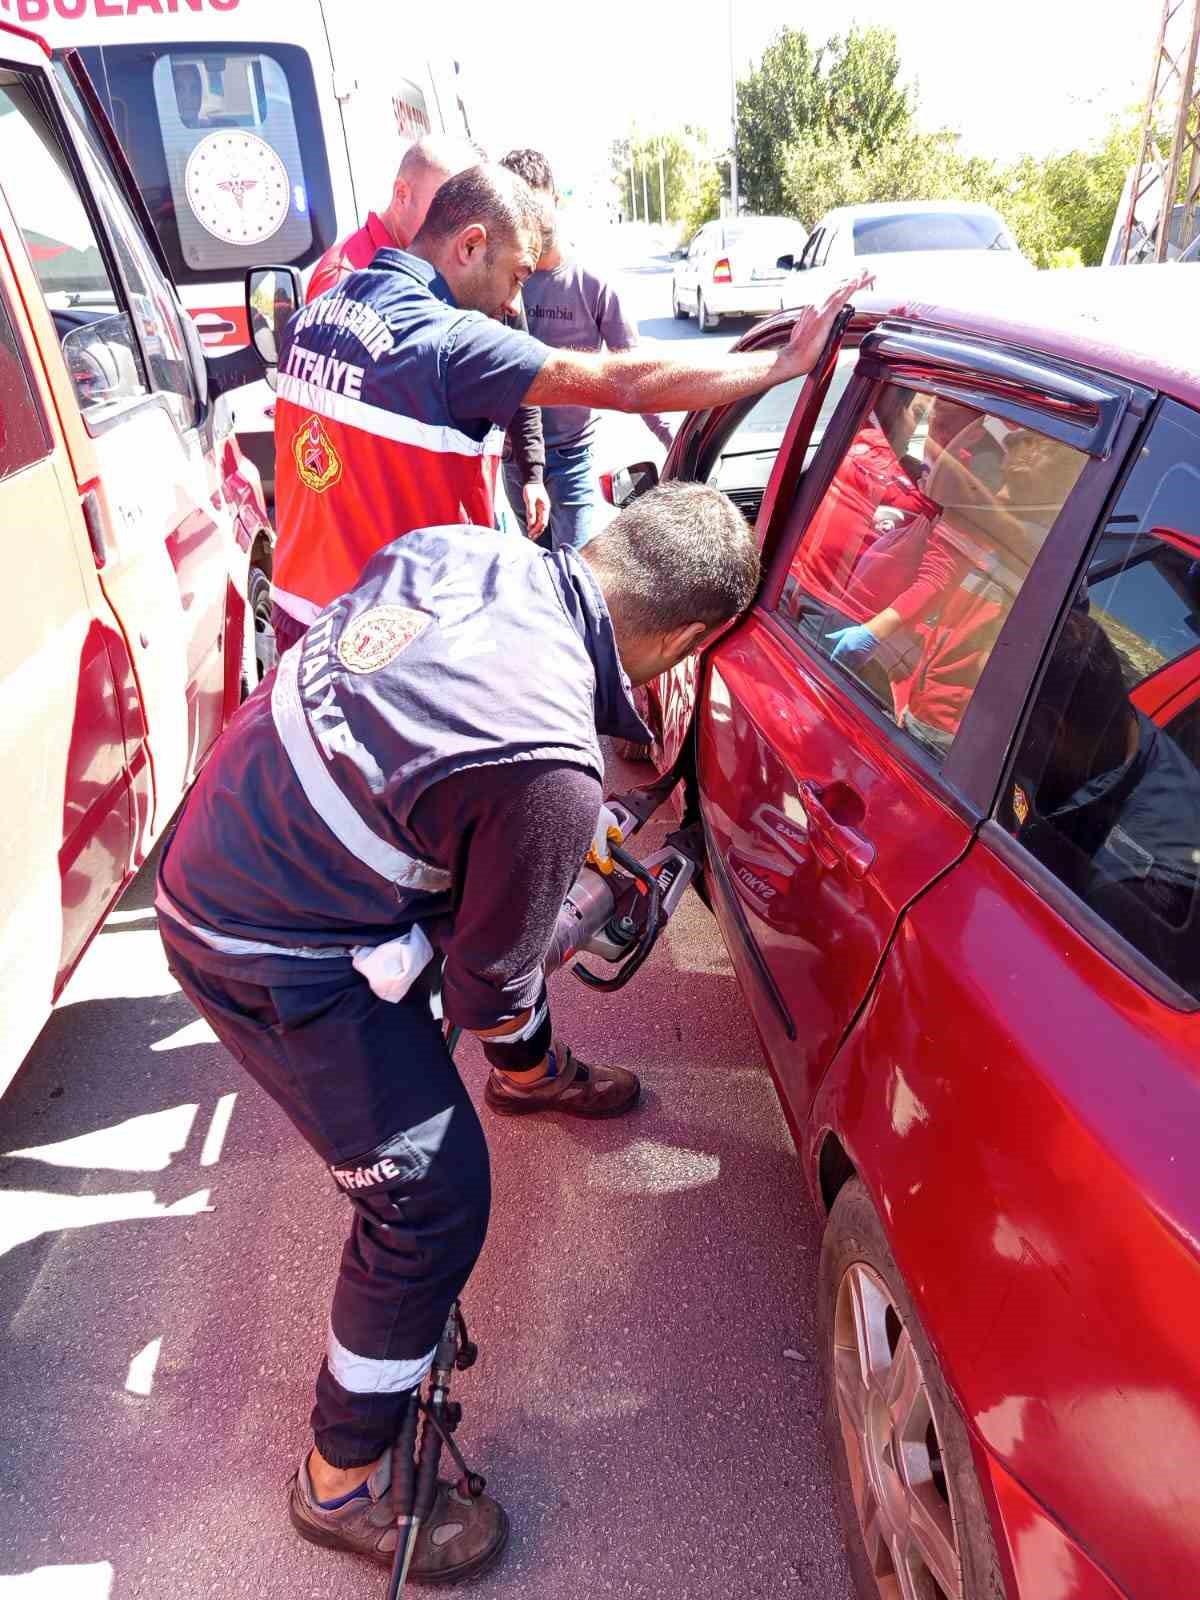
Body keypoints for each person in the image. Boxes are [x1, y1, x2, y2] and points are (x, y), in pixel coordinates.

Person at [155, 482, 761, 1582]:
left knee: (483, 961)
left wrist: (541, 840)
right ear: (691, 637)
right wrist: (555, 901)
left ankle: (529, 1082)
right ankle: (340, 1481)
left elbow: (429, 739)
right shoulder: (551, 769)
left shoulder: (467, 551)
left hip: (236, 828)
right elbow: (488, 994)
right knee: (431, 1198)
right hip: (258, 941)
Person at [267, 161, 868, 654]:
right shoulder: (448, 342)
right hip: (380, 642)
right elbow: (624, 384)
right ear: (471, 245)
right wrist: (783, 363)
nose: (514, 300)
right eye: (518, 275)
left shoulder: (324, 303)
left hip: (304, 618)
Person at [498, 148, 674, 550]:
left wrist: (673, 438)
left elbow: (636, 372)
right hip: (517, 462)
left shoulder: (592, 284)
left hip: (572, 460)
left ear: (556, 199)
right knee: (533, 580)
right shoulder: (503, 281)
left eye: (535, 206)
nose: (529, 222)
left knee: (575, 574)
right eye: (517, 210)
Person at [304, 133, 481, 301]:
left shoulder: (425, 263)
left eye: (467, 212)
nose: (459, 227)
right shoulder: (346, 282)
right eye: (446, 207)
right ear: (401, 195)